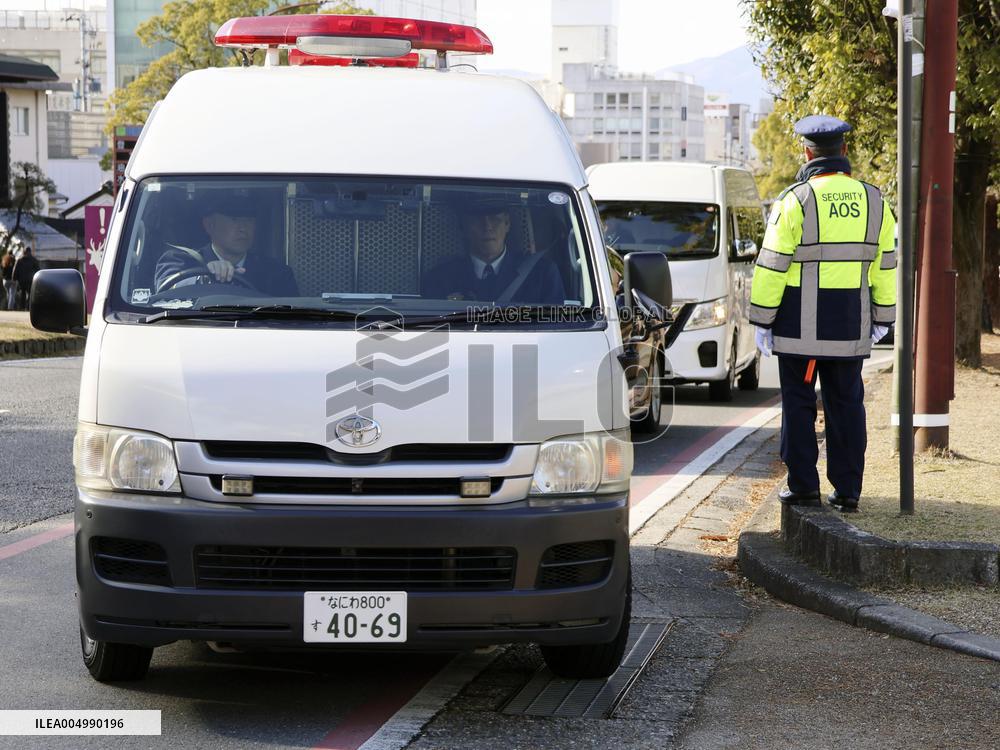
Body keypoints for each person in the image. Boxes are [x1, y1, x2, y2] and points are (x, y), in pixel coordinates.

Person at [749, 115, 897, 513]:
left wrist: (762, 320)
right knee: (847, 405)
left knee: (799, 403)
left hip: (801, 326)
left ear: (807, 152)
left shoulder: (795, 200)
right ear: (844, 152)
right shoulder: (875, 200)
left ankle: (803, 486)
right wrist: (884, 316)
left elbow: (772, 264)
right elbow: (886, 265)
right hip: (850, 324)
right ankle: (848, 491)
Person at [422, 197, 566, 305]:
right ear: (463, 228)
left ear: (507, 224)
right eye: (478, 220)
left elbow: (555, 330)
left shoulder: (541, 274)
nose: (487, 227)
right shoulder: (439, 278)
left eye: (495, 219)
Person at [154, 192, 298, 296]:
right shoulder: (180, 261)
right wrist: (203, 278)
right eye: (234, 219)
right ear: (209, 225)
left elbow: (292, 319)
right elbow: (166, 291)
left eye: (248, 220)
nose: (243, 228)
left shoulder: (276, 273)